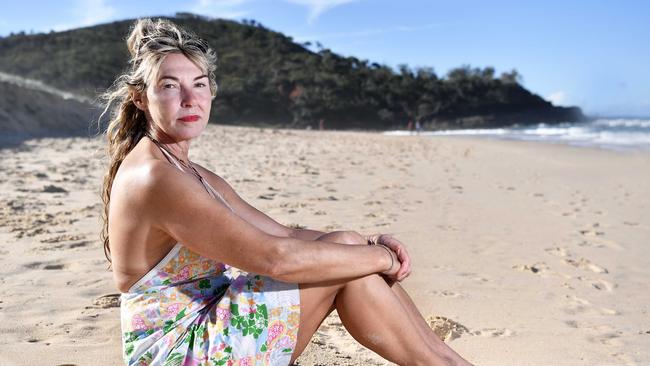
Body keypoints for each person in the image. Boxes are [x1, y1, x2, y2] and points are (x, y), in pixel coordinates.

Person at [100, 18, 472, 366]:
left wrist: (366, 243)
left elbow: (285, 235)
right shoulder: (155, 176)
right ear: (140, 97)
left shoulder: (187, 170)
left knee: (346, 246)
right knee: (349, 267)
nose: (189, 98)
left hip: (206, 323)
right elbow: (274, 258)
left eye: (198, 84)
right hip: (180, 352)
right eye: (169, 86)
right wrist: (381, 259)